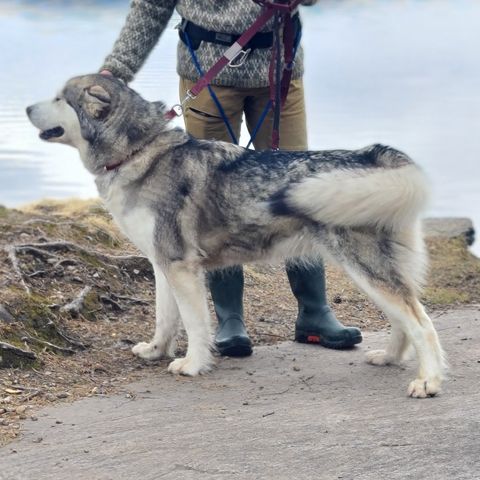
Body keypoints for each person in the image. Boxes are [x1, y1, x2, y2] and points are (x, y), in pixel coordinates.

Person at [100, 0, 362, 357]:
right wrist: (116, 70)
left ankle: (314, 312)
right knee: (210, 201)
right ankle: (230, 320)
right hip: (205, 68)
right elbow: (151, 6)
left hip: (278, 68)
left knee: (301, 188)